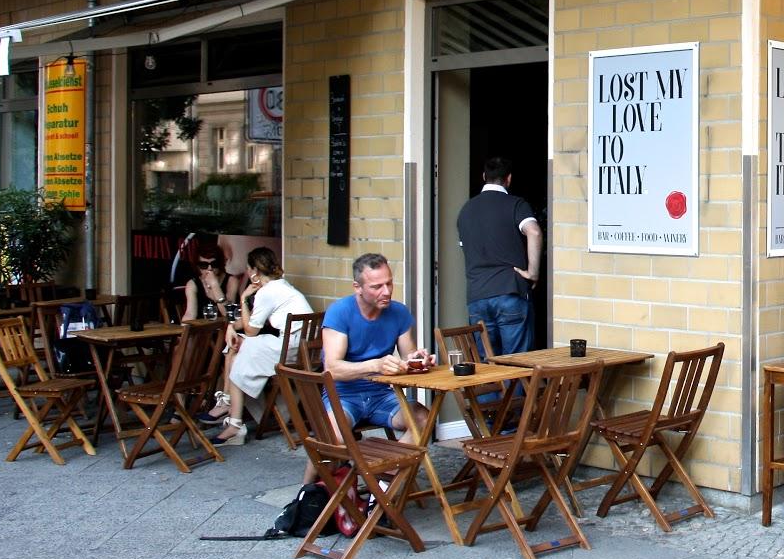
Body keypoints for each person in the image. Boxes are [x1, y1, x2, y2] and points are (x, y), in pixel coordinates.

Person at [320, 252, 431, 447]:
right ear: (358, 287)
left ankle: (391, 467)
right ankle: (385, 462)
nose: (386, 291)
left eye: (389, 283)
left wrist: (418, 360)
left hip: (383, 395)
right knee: (332, 439)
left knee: (424, 420)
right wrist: (375, 366)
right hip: (343, 395)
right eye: (377, 287)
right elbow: (331, 369)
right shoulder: (340, 311)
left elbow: (408, 358)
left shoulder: (399, 312)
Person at [209, 247, 313, 445]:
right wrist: (231, 326)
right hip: (306, 350)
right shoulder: (283, 286)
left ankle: (233, 419)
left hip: (290, 350)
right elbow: (253, 324)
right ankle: (233, 415)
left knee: (239, 353)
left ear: (255, 271)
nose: (247, 272)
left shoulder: (266, 293)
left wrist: (243, 299)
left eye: (248, 269)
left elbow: (251, 331)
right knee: (240, 351)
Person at [456, 155, 542, 355]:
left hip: (477, 296)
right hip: (509, 291)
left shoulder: (465, 211)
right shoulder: (516, 204)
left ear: (483, 176)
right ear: (509, 179)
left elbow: (466, 248)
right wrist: (533, 273)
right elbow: (534, 232)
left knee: (487, 364)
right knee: (516, 362)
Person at [182, 241, 241, 321]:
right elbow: (190, 314)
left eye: (214, 264)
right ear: (198, 266)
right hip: (204, 327)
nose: (209, 268)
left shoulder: (232, 280)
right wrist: (184, 327)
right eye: (204, 265)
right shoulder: (193, 284)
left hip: (226, 327)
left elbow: (227, 313)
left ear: (220, 263)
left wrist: (214, 285)